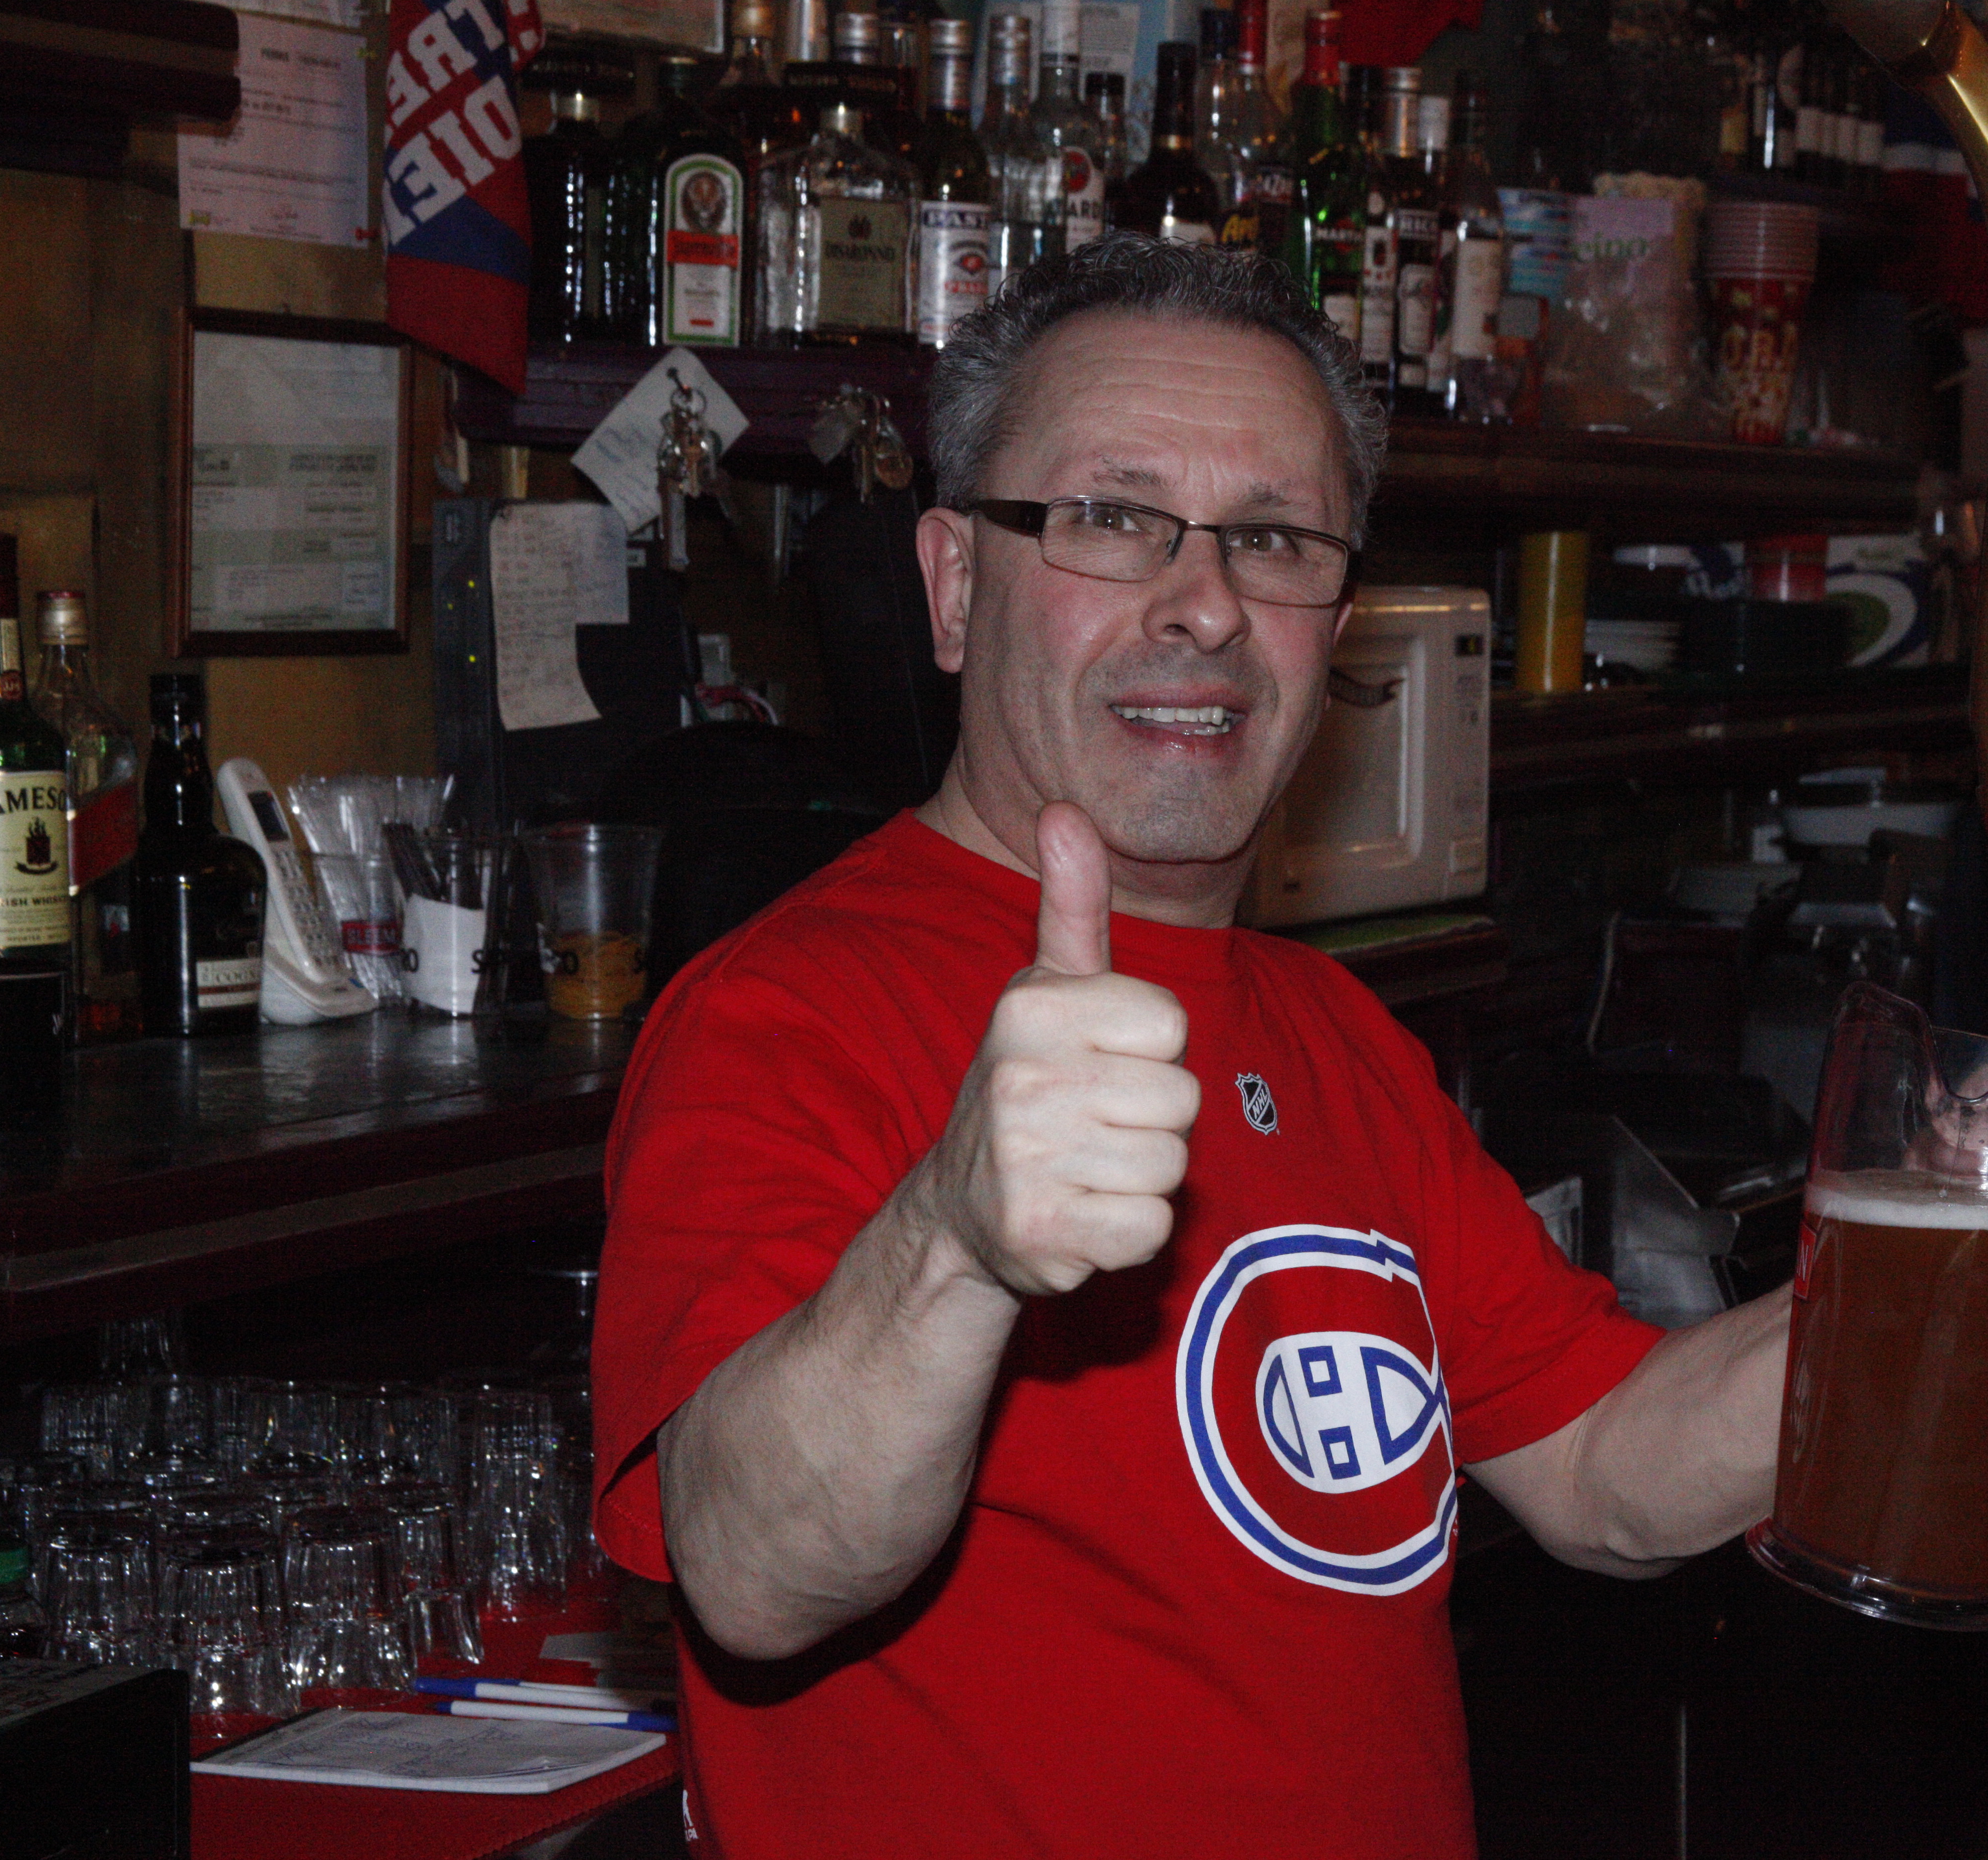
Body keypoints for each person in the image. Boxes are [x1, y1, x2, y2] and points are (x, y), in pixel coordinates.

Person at [587, 235, 1792, 1858]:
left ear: (1334, 625)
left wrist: (1952, 1266)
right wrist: (954, 1239)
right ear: (954, 585)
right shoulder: (784, 1012)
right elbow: (749, 1568)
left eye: (1273, 540)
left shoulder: (1334, 1029)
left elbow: (1601, 1465)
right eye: (1111, 517)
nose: (1208, 605)